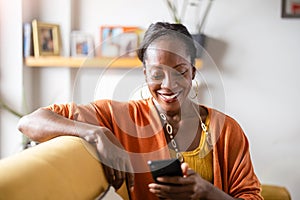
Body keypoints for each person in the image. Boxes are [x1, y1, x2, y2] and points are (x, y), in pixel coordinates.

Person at [18, 22, 263, 200]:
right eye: (157, 74)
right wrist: (95, 133)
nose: (168, 84)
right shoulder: (120, 118)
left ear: (193, 73)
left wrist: (207, 192)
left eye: (180, 71)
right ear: (145, 74)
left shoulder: (226, 130)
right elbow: (30, 122)